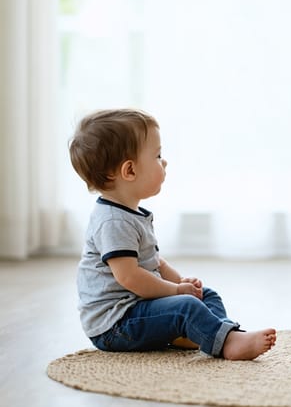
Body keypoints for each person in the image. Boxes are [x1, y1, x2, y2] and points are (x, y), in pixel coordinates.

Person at [68, 108, 276, 360]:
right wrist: (176, 292)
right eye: (157, 155)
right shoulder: (112, 221)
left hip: (138, 309)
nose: (164, 162)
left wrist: (180, 283)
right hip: (116, 325)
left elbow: (155, 263)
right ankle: (226, 343)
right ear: (130, 171)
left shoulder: (131, 213)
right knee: (185, 305)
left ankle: (210, 334)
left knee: (205, 296)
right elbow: (130, 277)